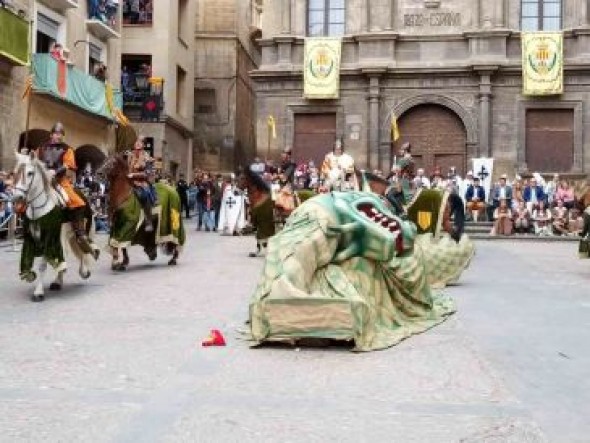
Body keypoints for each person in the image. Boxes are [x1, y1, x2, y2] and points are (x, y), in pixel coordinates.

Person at [38, 122, 96, 256]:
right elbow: (37, 162)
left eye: (60, 134)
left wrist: (54, 172)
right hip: (43, 180)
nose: (58, 136)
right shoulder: (42, 148)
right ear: (51, 134)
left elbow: (67, 165)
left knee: (76, 201)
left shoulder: (67, 149)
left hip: (60, 180)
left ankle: (79, 232)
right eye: (56, 133)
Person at [127, 136, 156, 232]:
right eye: (136, 142)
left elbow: (148, 173)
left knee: (144, 194)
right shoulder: (129, 155)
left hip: (142, 182)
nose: (137, 143)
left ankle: (149, 221)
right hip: (129, 181)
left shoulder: (148, 158)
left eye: (140, 142)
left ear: (144, 145)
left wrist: (134, 175)